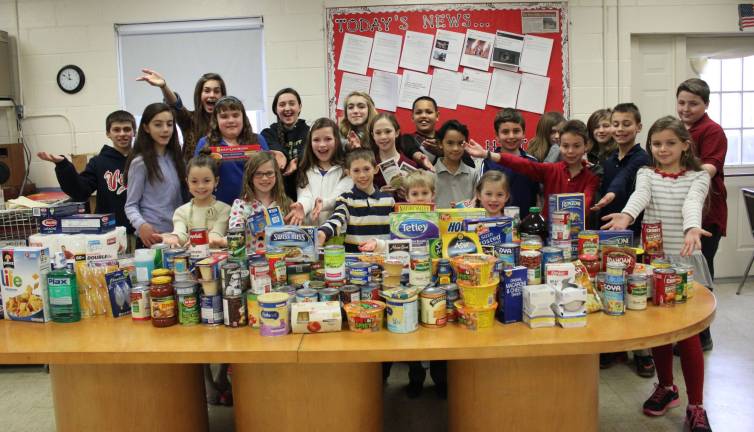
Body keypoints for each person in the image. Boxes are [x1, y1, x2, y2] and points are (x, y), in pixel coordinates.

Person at [601, 116, 713, 432]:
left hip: (686, 266)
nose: (662, 149)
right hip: (655, 263)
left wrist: (692, 227)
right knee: (660, 333)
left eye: (670, 143)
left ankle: (696, 405)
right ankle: (666, 387)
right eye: (657, 143)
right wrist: (626, 215)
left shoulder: (698, 177)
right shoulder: (646, 172)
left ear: (685, 146)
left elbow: (692, 203)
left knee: (688, 338)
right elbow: (640, 197)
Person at [590, 103, 652, 376]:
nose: (620, 129)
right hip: (611, 234)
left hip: (635, 233)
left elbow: (624, 179)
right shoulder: (609, 159)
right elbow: (606, 180)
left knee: (636, 289)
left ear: (638, 127)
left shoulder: (642, 158)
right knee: (612, 288)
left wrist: (612, 196)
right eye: (616, 124)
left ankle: (642, 352)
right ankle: (615, 346)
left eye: (627, 124)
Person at [677, 77, 727, 352]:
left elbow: (711, 166)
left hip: (707, 216)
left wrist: (682, 177)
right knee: (684, 273)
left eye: (693, 104)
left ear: (705, 104)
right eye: (682, 102)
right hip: (681, 214)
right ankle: (686, 332)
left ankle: (702, 335)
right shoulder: (678, 129)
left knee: (701, 273)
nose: (686, 108)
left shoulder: (713, 131)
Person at [465, 119, 599, 221]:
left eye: (576, 146)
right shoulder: (551, 170)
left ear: (586, 146)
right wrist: (487, 154)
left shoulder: (591, 177)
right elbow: (520, 163)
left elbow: (585, 204)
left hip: (577, 237)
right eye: (565, 146)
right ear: (559, 146)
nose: (570, 151)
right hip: (549, 237)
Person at [37, 110, 136, 237]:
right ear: (108, 133)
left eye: (127, 129)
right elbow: (80, 192)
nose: (122, 134)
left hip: (142, 231)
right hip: (110, 232)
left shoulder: (144, 160)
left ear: (134, 132)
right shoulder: (98, 162)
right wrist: (63, 165)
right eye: (116, 130)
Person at [124, 103, 186, 248]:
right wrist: (142, 225)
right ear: (146, 128)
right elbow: (130, 205)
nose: (165, 130)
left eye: (169, 124)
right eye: (158, 125)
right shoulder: (140, 163)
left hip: (176, 236)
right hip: (152, 238)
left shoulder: (178, 159)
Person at [193, 96, 272, 205]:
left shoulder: (257, 140)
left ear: (243, 117)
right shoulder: (205, 143)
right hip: (216, 208)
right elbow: (196, 178)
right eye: (224, 116)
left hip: (252, 208)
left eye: (235, 115)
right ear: (216, 120)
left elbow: (270, 175)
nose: (231, 120)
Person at [137, 69, 226, 160]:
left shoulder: (228, 124)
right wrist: (164, 86)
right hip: (192, 173)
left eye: (216, 91)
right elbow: (176, 105)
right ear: (199, 95)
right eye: (207, 91)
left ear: (223, 96)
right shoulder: (190, 120)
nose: (212, 95)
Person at [317, 149, 394, 253]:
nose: (362, 175)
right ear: (348, 173)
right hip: (354, 261)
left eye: (366, 169)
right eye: (356, 170)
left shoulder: (389, 200)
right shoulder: (345, 199)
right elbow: (337, 219)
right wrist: (323, 232)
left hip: (383, 259)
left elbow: (396, 234)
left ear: (376, 169)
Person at [291, 117, 353, 227]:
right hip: (311, 231)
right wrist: (302, 206)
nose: (322, 145)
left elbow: (339, 196)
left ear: (337, 140)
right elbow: (306, 196)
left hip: (338, 234)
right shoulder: (304, 168)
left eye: (328, 139)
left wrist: (322, 204)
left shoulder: (346, 169)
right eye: (316, 140)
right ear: (310, 142)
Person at [161, 152, 231, 249]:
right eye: (194, 181)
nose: (200, 186)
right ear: (187, 182)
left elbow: (217, 233)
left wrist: (200, 240)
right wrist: (174, 237)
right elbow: (180, 233)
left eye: (206, 181)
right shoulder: (181, 211)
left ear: (216, 181)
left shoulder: (225, 209)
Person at [228, 151, 296, 250]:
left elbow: (294, 236)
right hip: (251, 262)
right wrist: (245, 220)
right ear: (250, 176)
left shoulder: (287, 203)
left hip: (279, 261)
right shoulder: (240, 205)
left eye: (269, 173)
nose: (264, 178)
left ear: (276, 175)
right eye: (258, 174)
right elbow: (235, 233)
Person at [480, 108, 539, 220]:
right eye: (505, 132)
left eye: (516, 131)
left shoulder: (532, 162)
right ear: (497, 136)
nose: (511, 136)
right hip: (497, 225)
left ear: (523, 134)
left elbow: (539, 197)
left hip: (526, 227)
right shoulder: (488, 162)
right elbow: (482, 196)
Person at [261, 88, 310, 201]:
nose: (287, 108)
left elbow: (309, 152)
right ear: (275, 109)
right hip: (277, 197)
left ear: (299, 107)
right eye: (282, 105)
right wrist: (281, 155)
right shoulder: (267, 134)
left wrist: (297, 161)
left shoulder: (310, 132)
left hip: (306, 195)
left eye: (292, 104)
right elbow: (276, 153)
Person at [399, 96, 473, 170]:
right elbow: (412, 151)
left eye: (429, 112)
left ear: (437, 116)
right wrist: (422, 158)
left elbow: (470, 165)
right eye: (418, 112)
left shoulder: (447, 138)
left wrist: (443, 152)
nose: (423, 116)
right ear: (412, 117)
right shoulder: (407, 139)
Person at [434, 120, 480, 209]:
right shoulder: (430, 175)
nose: (455, 148)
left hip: (466, 222)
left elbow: (477, 206)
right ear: (440, 144)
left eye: (460, 143)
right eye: (450, 143)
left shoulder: (473, 174)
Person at [369, 113, 418, 193]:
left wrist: (408, 196)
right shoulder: (369, 165)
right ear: (373, 135)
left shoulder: (411, 165)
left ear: (397, 133)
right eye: (378, 133)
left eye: (388, 131)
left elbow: (418, 198)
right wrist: (379, 194)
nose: (383, 137)